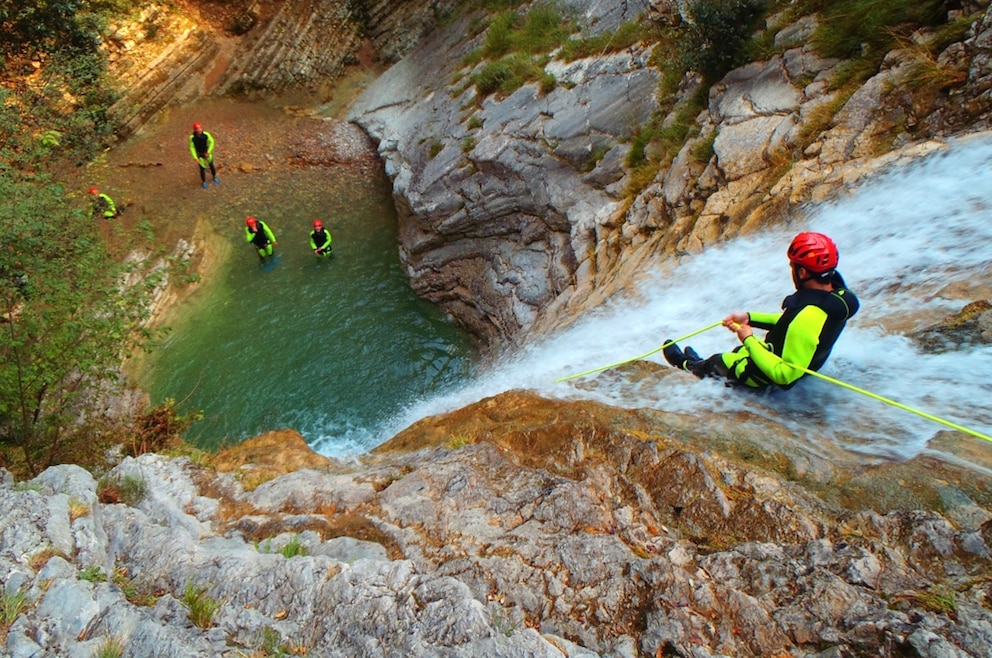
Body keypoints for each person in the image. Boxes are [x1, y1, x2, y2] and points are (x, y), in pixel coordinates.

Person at [663, 232, 860, 390]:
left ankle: (687, 364)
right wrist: (750, 318)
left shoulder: (808, 316)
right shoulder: (836, 300)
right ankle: (700, 361)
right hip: (798, 363)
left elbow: (785, 376)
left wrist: (748, 338)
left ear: (802, 272)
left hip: (765, 379)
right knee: (739, 352)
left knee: (719, 361)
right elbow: (790, 323)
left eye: (793, 267)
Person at [189, 122, 219, 189]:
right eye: (197, 129)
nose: (199, 130)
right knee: (202, 169)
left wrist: (209, 151)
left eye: (200, 128)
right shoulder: (192, 138)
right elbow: (192, 147)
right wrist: (195, 157)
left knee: (211, 165)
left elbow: (212, 141)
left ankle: (214, 177)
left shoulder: (206, 134)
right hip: (200, 155)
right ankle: (204, 181)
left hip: (207, 153)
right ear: (195, 130)